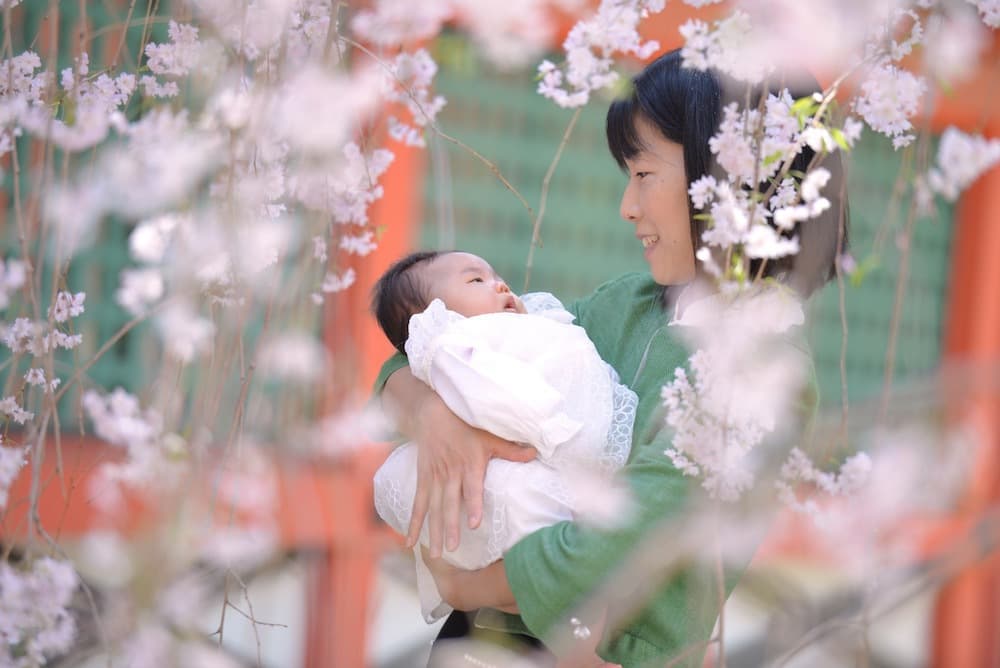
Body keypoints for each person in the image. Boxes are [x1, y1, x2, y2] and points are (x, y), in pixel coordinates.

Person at [374, 49, 846, 667]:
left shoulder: (763, 370)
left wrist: (470, 585)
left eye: (644, 175)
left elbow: (622, 540)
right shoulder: (624, 306)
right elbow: (439, 346)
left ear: (730, 178)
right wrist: (433, 411)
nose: (627, 206)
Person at [371, 250, 638, 626]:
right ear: (432, 316)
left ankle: (519, 580)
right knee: (521, 500)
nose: (500, 283)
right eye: (475, 280)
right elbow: (492, 395)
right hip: (545, 448)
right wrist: (551, 430)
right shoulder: (453, 342)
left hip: (561, 466)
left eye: (495, 275)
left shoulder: (535, 322)